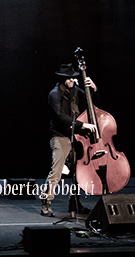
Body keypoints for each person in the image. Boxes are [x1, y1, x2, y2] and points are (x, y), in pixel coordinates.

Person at [40, 63, 97, 217]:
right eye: (69, 78)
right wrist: (83, 125)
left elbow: (89, 102)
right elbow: (61, 117)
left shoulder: (75, 91)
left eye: (73, 77)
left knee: (78, 172)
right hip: (60, 136)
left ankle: (75, 203)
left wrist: (92, 89)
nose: (72, 80)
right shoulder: (55, 94)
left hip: (77, 137)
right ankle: (46, 202)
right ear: (62, 79)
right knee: (57, 170)